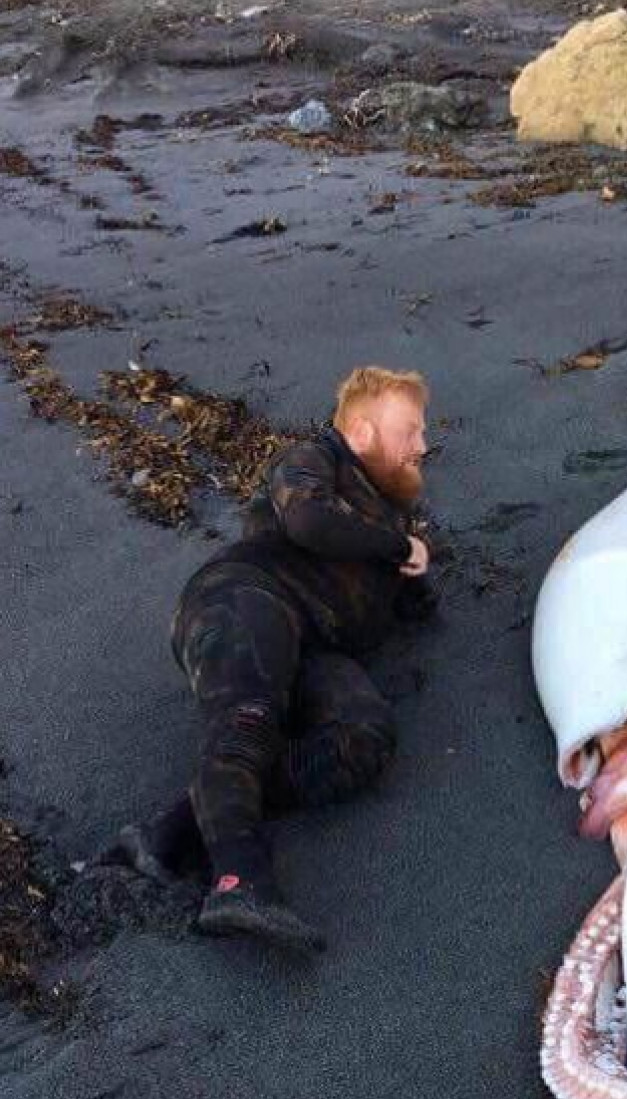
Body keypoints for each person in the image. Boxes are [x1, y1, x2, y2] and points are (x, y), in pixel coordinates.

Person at [114, 365, 437, 952]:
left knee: (364, 736)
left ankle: (171, 831)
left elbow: (397, 597)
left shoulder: (389, 515)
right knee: (251, 717)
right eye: (410, 430)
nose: (422, 444)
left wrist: (413, 575)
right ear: (362, 432)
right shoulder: (313, 460)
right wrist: (398, 547)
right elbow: (309, 520)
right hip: (244, 598)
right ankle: (240, 878)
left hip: (316, 642)